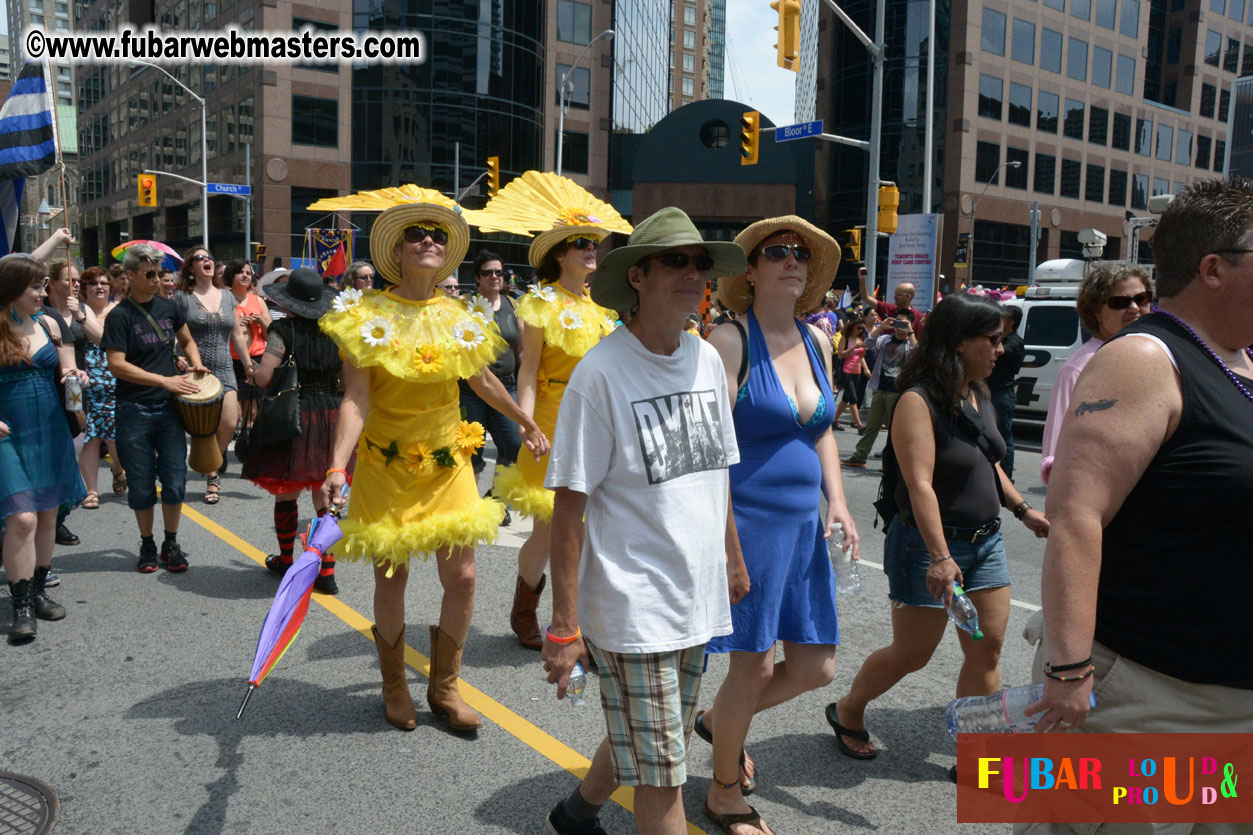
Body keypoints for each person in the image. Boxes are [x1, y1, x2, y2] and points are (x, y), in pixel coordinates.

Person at [1022, 182, 1253, 834]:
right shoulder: (1142, 360)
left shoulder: (1241, 360)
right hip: (1145, 699)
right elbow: (1075, 516)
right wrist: (1068, 669)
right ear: (1213, 267)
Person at [540, 207, 750, 835]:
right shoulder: (599, 375)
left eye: (700, 263)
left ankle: (576, 814)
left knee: (663, 740)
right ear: (637, 276)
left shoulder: (707, 359)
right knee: (665, 779)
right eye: (676, 262)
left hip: (696, 594)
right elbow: (570, 509)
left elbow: (717, 473)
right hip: (633, 604)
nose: (694, 274)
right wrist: (563, 625)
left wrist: (733, 559)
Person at [318, 193, 548, 733]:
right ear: (396, 249)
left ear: (446, 255)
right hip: (386, 463)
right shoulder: (363, 314)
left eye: (437, 235)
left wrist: (524, 419)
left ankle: (445, 686)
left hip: (447, 460)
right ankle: (394, 686)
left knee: (463, 576)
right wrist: (335, 467)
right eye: (417, 233)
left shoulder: (459, 314)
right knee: (392, 577)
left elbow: (482, 379)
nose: (429, 240)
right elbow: (356, 398)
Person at [828, 293, 1048, 762]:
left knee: (985, 649)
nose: (1000, 350)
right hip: (929, 547)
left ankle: (977, 754)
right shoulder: (917, 400)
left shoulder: (978, 392)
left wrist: (1024, 511)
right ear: (958, 342)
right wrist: (940, 556)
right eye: (991, 340)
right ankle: (849, 708)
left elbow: (990, 463)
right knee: (913, 653)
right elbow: (920, 484)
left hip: (985, 542)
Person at [699, 216, 860, 833]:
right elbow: (706, 451)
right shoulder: (727, 341)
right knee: (754, 664)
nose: (792, 261)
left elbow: (819, 430)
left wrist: (838, 501)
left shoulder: (817, 340)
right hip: (746, 525)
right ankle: (721, 791)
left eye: (800, 255)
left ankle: (720, 725)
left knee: (817, 666)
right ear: (752, 268)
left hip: (801, 527)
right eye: (777, 253)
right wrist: (727, 543)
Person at [491, 221, 618, 651]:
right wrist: (527, 424)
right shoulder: (540, 303)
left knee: (592, 526)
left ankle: (580, 621)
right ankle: (524, 610)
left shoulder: (602, 308)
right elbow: (526, 372)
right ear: (559, 255)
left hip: (598, 421)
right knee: (549, 528)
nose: (591, 250)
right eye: (581, 245)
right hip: (553, 420)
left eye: (593, 244)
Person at [103, 243, 210, 573]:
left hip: (168, 409)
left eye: (160, 273)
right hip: (133, 408)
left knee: (176, 480)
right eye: (149, 274)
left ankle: (171, 542)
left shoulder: (169, 307)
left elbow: (188, 339)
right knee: (141, 482)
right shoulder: (119, 316)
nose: (156, 279)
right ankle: (147, 543)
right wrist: (165, 381)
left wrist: (196, 364)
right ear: (130, 276)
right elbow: (116, 365)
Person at [0, 255, 87, 643]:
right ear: (12, 289)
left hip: (50, 426)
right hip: (8, 433)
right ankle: (19, 604)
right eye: (35, 286)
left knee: (49, 513)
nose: (43, 292)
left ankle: (37, 591)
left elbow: (66, 368)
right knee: (22, 518)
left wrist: (75, 376)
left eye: (43, 284)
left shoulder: (49, 322)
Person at [243, 269, 342, 595]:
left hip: (294, 415)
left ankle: (286, 560)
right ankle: (325, 572)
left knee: (287, 492)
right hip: (331, 415)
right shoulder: (337, 331)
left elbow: (266, 377)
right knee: (325, 495)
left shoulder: (282, 331)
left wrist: (252, 370)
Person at [1038, 264, 1151, 484]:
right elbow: (1055, 454)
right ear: (1096, 312)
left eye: (1142, 298)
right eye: (1121, 302)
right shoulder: (1081, 366)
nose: (1135, 308)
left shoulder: (1152, 354)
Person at [175, 247, 254, 503]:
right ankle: (212, 475)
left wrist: (248, 363)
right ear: (191, 267)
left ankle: (212, 462)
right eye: (200, 258)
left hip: (224, 368)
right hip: (194, 370)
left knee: (230, 422)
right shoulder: (181, 298)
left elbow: (236, 335)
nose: (207, 260)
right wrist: (177, 358)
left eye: (209, 257)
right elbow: (174, 335)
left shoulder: (227, 296)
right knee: (203, 426)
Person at [459, 250, 523, 521]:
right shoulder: (465, 306)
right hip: (470, 390)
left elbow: (520, 350)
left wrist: (523, 384)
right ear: (477, 277)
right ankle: (471, 507)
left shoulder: (512, 304)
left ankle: (496, 498)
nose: (495, 277)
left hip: (506, 387)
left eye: (499, 272)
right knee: (471, 449)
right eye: (488, 272)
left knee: (515, 445)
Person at [41, 260, 87, 547]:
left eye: (78, 279)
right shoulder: (41, 315)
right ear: (52, 283)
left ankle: (57, 519)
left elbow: (102, 338)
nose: (76, 284)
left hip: (75, 392)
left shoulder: (75, 313)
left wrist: (80, 316)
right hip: (46, 394)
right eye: (69, 279)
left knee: (72, 460)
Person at [76, 266, 125, 509]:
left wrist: (82, 319)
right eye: (93, 283)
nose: (99, 287)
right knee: (90, 438)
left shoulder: (118, 311)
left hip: (114, 379)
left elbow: (109, 340)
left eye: (104, 283)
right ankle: (91, 491)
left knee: (114, 435)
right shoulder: (76, 310)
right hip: (85, 383)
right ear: (84, 288)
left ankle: (117, 469)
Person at [844, 316, 917, 468]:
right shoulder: (885, 339)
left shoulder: (910, 344)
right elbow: (869, 343)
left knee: (894, 429)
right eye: (897, 322)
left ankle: (890, 462)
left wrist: (910, 332)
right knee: (872, 425)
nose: (899, 326)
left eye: (903, 323)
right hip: (881, 388)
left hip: (897, 391)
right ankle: (860, 456)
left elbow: (918, 354)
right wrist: (882, 326)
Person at [225, 259, 271, 428]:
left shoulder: (258, 301)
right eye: (241, 272)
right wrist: (235, 324)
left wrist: (260, 321)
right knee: (233, 413)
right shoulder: (224, 299)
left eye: (248, 273)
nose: (245, 275)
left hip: (256, 359)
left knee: (252, 412)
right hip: (231, 361)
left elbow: (271, 335)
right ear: (231, 275)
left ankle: (248, 450)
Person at [985, 305, 1025, 480]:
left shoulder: (1014, 343)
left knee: (1003, 438)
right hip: (990, 391)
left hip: (1002, 394)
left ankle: (1006, 477)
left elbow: (999, 353)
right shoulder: (1005, 339)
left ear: (1011, 322)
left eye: (1003, 318)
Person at [858, 265, 924, 332]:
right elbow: (866, 298)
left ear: (908, 297)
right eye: (895, 293)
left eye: (898, 295)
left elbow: (918, 341)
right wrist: (862, 279)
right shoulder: (888, 308)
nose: (894, 297)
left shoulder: (918, 318)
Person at [832, 317, 869, 431]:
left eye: (862, 329)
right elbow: (840, 355)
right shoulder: (845, 338)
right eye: (858, 328)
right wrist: (853, 347)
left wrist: (866, 368)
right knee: (853, 397)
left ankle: (834, 420)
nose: (860, 331)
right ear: (853, 326)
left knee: (846, 397)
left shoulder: (860, 338)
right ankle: (859, 424)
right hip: (846, 371)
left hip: (857, 371)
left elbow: (860, 357)